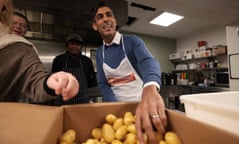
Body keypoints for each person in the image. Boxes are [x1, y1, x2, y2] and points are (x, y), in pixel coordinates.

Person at [91, 2, 167, 144]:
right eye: (100, 17)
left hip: (142, 106)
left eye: (109, 15)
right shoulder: (99, 53)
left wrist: (150, 86)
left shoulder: (132, 42)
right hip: (118, 114)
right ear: (95, 25)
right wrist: (116, 111)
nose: (106, 19)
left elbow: (148, 61)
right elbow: (103, 83)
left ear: (115, 21)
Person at [0, 0, 79, 103]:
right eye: (14, 23)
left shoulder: (22, 48)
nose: (18, 27)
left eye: (23, 25)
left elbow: (37, 80)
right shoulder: (59, 59)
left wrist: (50, 83)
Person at [50, 33, 97, 105]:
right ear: (67, 46)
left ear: (80, 46)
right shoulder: (59, 60)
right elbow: (53, 81)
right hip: (63, 101)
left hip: (82, 101)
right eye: (72, 44)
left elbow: (92, 82)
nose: (74, 46)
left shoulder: (86, 61)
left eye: (77, 44)